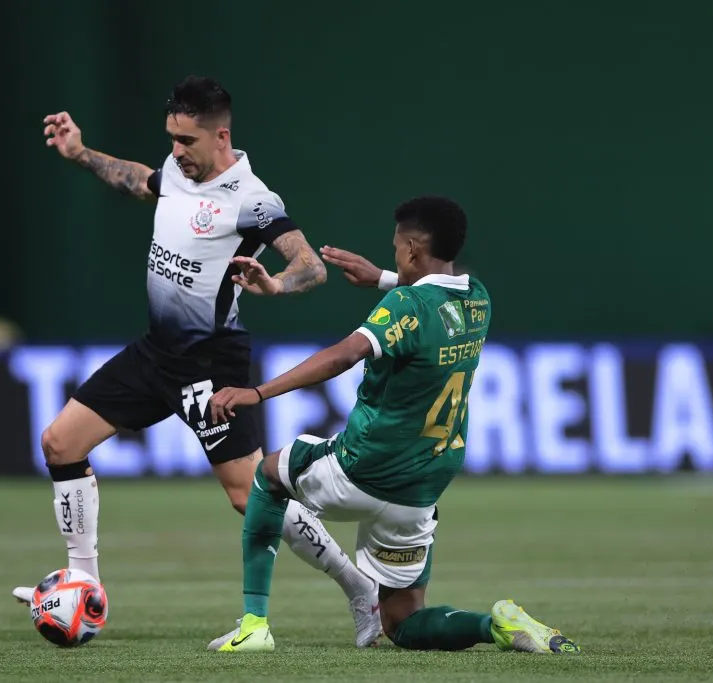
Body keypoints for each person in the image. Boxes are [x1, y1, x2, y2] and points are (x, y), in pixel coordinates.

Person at [14, 76, 382, 648]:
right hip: (154, 352)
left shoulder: (253, 199)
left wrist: (274, 285)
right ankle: (83, 581)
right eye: (172, 138)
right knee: (60, 443)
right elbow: (140, 181)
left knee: (249, 495)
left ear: (221, 135)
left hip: (210, 367)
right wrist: (80, 152)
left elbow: (310, 266)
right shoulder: (177, 172)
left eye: (186, 141)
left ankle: (360, 589)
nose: (177, 151)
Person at [206, 196, 581, 654]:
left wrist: (256, 392)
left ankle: (254, 626)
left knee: (267, 478)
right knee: (402, 623)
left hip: (364, 468)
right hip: (421, 490)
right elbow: (433, 303)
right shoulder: (478, 298)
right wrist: (382, 278)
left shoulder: (405, 302)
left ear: (411, 250)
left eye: (396, 248)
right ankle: (493, 625)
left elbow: (344, 354)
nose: (393, 256)